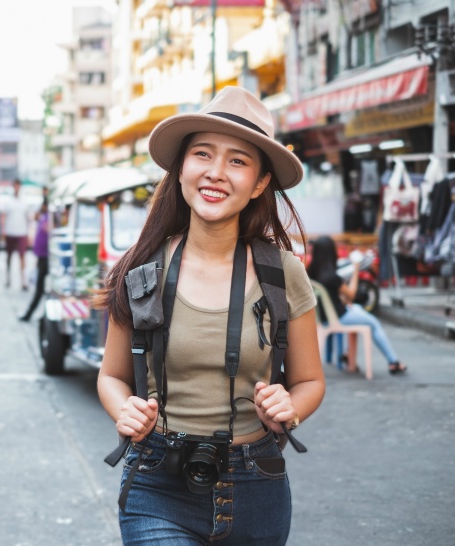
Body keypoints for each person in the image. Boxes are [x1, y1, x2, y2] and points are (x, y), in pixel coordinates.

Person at [96, 87, 325, 545]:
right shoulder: (141, 269)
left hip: (257, 484)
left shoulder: (282, 272)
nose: (216, 173)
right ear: (182, 166)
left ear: (260, 182)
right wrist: (126, 411)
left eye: (238, 161)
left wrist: (290, 407)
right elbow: (111, 377)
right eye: (203, 154)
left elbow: (310, 381)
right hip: (156, 482)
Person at [307, 236, 407, 375]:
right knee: (373, 322)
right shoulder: (331, 276)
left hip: (323, 317)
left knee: (358, 310)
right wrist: (356, 270)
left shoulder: (311, 274)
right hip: (339, 316)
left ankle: (349, 356)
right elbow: (351, 295)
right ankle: (393, 361)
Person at [19, 199, 48, 322]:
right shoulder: (44, 216)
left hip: (47, 258)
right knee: (40, 287)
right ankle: (31, 313)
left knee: (40, 288)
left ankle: (30, 313)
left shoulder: (50, 217)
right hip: (42, 257)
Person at [1, 179, 30, 290]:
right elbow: (3, 216)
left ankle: (24, 281)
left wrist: (28, 233)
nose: (17, 188)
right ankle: (8, 278)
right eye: (15, 186)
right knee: (9, 257)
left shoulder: (24, 202)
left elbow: (28, 219)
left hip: (21, 232)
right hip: (10, 232)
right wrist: (3, 230)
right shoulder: (8, 202)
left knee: (22, 257)